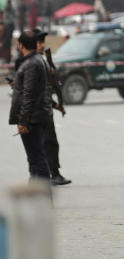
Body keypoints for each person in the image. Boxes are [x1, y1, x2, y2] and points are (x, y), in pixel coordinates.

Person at [9, 31, 53, 179]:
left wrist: (23, 121)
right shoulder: (37, 60)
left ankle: (43, 195)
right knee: (34, 159)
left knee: (37, 159)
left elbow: (29, 95)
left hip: (33, 119)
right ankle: (37, 193)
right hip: (36, 115)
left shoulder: (31, 64)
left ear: (21, 45)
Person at [34, 29, 71, 185]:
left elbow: (53, 86)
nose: (42, 45)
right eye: (39, 42)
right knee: (47, 144)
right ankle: (50, 175)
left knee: (50, 144)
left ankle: (50, 173)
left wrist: (57, 105)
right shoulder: (32, 63)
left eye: (43, 42)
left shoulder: (43, 60)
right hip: (38, 112)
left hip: (45, 110)